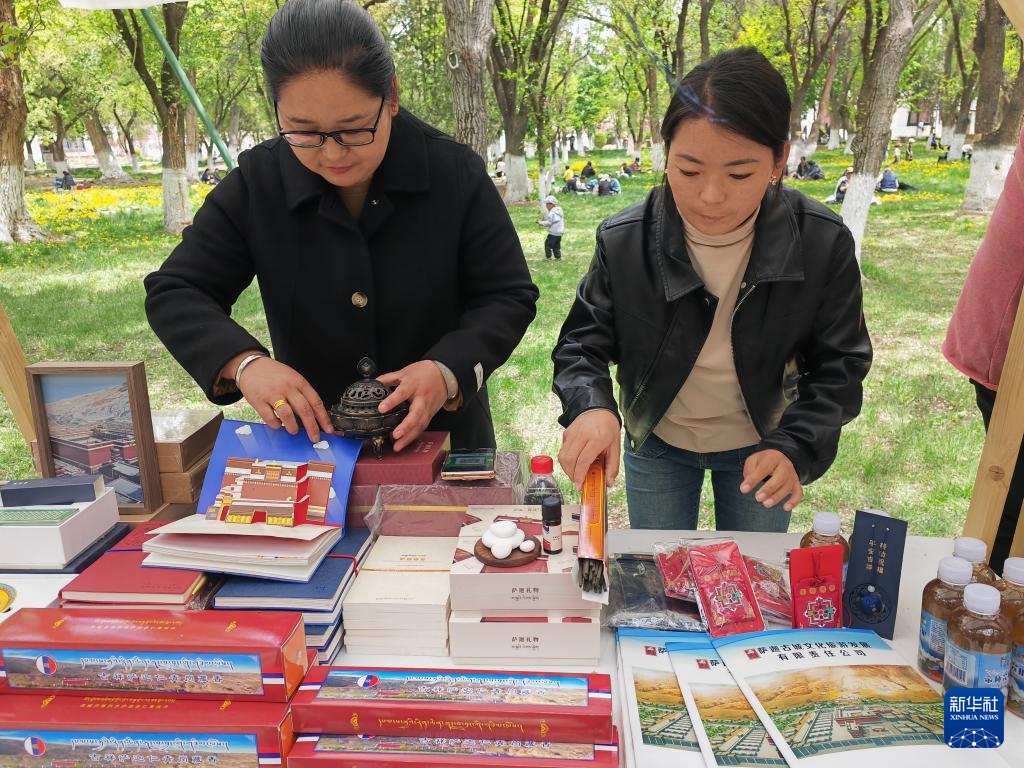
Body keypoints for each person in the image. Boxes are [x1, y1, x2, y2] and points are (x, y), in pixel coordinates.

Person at [144, 0, 538, 451]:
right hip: (316, 450)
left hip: (444, 445)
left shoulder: (454, 174)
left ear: (391, 95)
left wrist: (446, 371)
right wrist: (245, 364)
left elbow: (507, 296)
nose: (331, 154)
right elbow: (176, 291)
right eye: (304, 131)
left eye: (353, 130)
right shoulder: (259, 182)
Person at [552, 47, 871, 532]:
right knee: (656, 566)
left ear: (779, 160)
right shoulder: (625, 239)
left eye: (740, 174)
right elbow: (581, 343)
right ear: (666, 155)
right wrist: (591, 405)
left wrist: (795, 446)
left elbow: (840, 365)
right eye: (688, 170)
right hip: (657, 438)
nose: (711, 196)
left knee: (754, 572)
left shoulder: (820, 242)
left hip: (764, 445)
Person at [537, 194, 564, 261]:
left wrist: (540, 222)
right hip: (559, 233)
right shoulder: (559, 210)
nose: (546, 206)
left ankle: (548, 257)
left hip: (553, 233)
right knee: (556, 245)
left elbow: (549, 223)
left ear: (551, 204)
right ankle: (558, 257)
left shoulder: (552, 213)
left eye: (547, 204)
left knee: (547, 244)